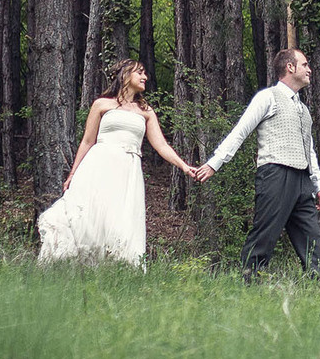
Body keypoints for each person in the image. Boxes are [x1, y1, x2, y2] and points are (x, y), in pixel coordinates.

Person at [38, 60, 202, 266]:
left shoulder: (146, 111)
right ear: (125, 75)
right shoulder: (101, 104)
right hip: (99, 164)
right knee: (88, 215)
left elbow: (161, 145)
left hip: (127, 171)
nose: (145, 77)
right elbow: (87, 141)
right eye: (140, 73)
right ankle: (78, 267)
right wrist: (72, 174)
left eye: (145, 74)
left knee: (119, 218)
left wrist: (184, 166)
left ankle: (115, 268)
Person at [205, 48, 320, 280]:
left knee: (313, 239)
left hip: (303, 182)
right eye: (304, 64)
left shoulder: (303, 110)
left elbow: (308, 149)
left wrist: (319, 184)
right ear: (289, 67)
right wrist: (215, 163)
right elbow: (240, 131)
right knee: (264, 235)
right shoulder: (267, 97)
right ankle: (249, 284)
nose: (309, 69)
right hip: (275, 175)